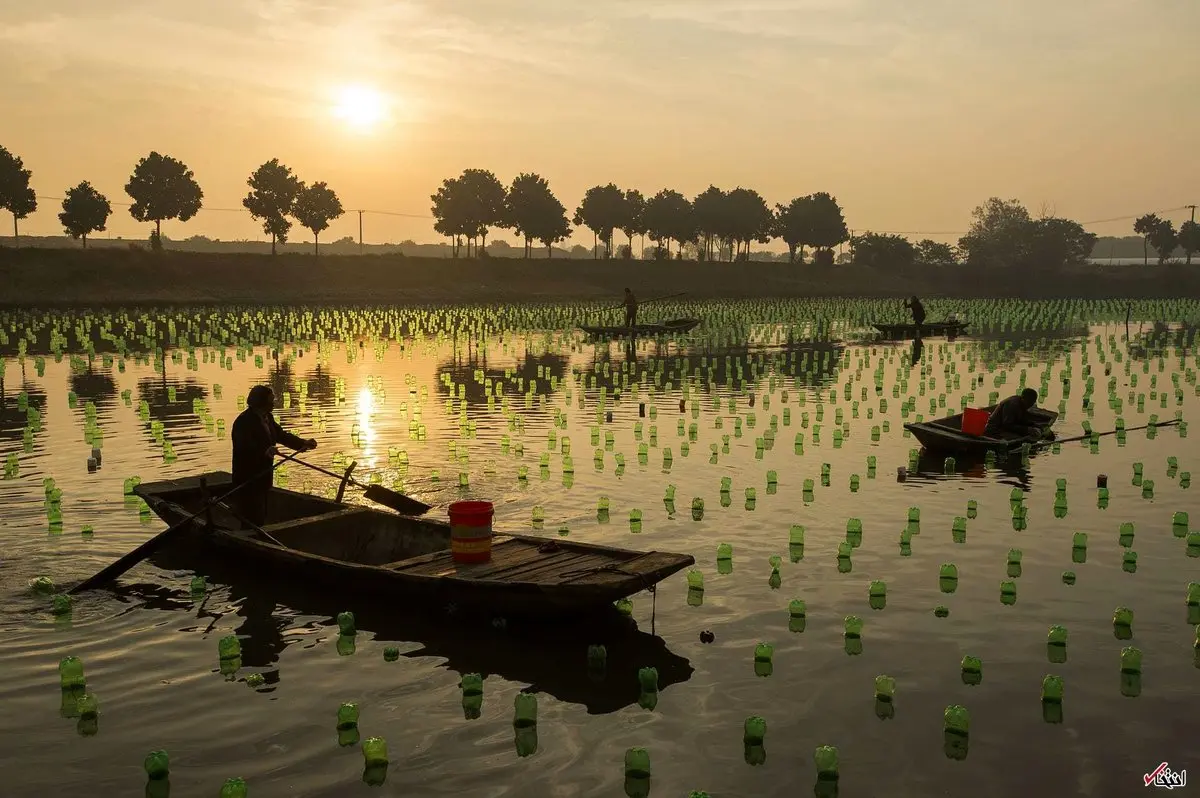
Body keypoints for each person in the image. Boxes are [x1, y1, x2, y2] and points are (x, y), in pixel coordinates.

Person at [231, 385, 317, 527]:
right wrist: (264, 451)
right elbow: (244, 448)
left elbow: (281, 435)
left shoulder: (267, 418)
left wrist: (302, 443)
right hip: (248, 479)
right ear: (260, 402)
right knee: (251, 518)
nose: (273, 404)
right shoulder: (243, 422)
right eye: (270, 401)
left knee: (262, 514)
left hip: (264, 477)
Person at [985, 388, 1055, 439]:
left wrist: (1034, 425)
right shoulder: (1012, 405)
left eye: (1032, 403)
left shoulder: (1022, 404)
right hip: (995, 429)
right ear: (1023, 398)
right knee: (1023, 438)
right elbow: (1007, 425)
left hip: (1005, 427)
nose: (1029, 405)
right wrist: (1027, 430)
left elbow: (1022, 420)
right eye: (1029, 403)